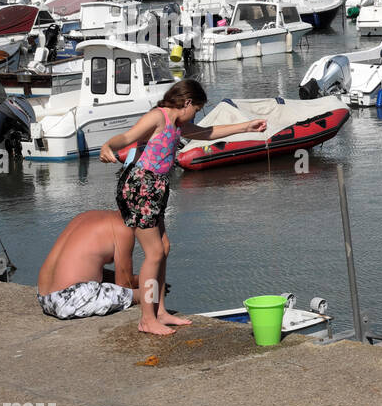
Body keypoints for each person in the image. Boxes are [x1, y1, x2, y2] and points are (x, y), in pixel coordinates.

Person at [99, 79, 266, 336]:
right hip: (140, 186)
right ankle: (146, 319)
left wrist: (247, 127)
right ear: (187, 102)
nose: (195, 114)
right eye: (196, 109)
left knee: (163, 248)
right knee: (153, 253)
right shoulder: (159, 117)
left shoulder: (178, 124)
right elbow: (128, 136)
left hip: (156, 187)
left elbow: (207, 133)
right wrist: (108, 145)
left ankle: (160, 311)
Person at [37, 210, 135, 320]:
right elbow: (125, 285)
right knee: (145, 293)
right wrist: (146, 280)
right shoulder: (123, 228)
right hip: (68, 300)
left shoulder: (86, 215)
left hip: (44, 297)